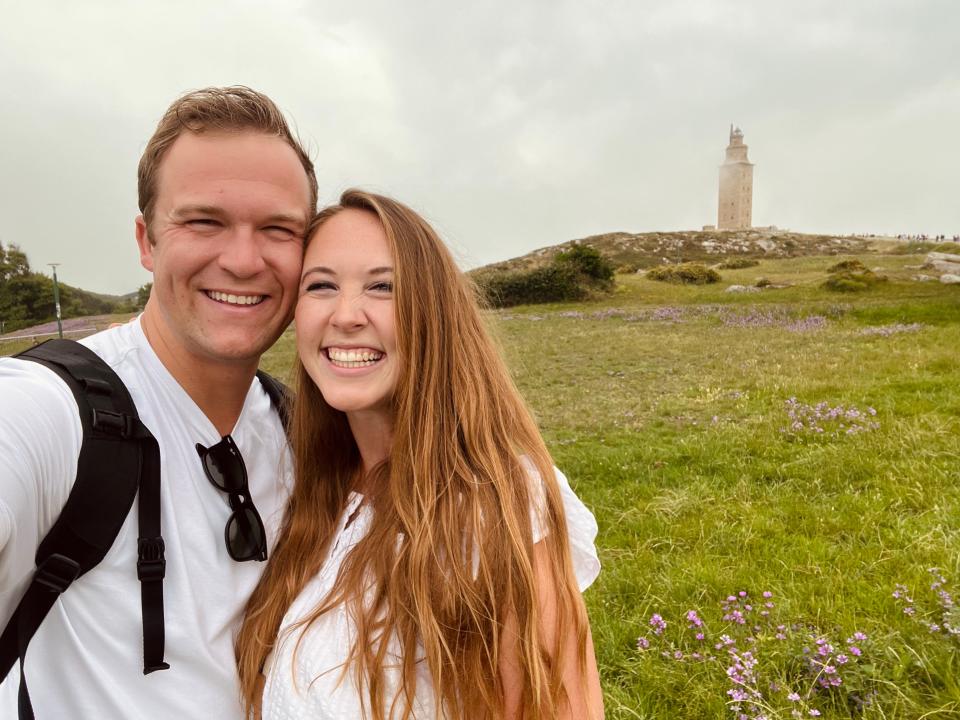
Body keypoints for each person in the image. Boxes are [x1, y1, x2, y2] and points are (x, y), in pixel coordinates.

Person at [0, 86, 316, 718]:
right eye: (205, 222)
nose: (244, 260)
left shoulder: (303, 433)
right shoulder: (53, 412)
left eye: (279, 229)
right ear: (147, 241)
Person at [236, 190, 604, 720]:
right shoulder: (306, 486)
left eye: (383, 287)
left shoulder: (496, 504)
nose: (346, 315)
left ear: (434, 313)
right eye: (321, 286)